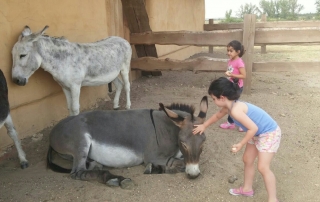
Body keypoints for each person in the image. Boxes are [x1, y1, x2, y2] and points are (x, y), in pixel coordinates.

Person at [193, 77, 281, 202]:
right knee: (247, 159)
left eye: (214, 99)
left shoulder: (235, 110)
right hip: (257, 133)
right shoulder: (229, 106)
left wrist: (240, 144)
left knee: (263, 167)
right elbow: (217, 115)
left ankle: (273, 199)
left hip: (268, 133)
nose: (213, 101)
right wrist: (204, 125)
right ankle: (247, 189)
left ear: (222, 97)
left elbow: (253, 129)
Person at [221, 40, 246, 132]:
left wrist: (232, 75)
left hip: (237, 87)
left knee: (234, 106)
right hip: (231, 86)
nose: (228, 53)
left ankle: (241, 123)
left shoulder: (239, 62)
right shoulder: (230, 61)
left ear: (238, 52)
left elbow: (243, 76)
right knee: (231, 105)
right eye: (228, 50)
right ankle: (231, 122)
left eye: (231, 51)